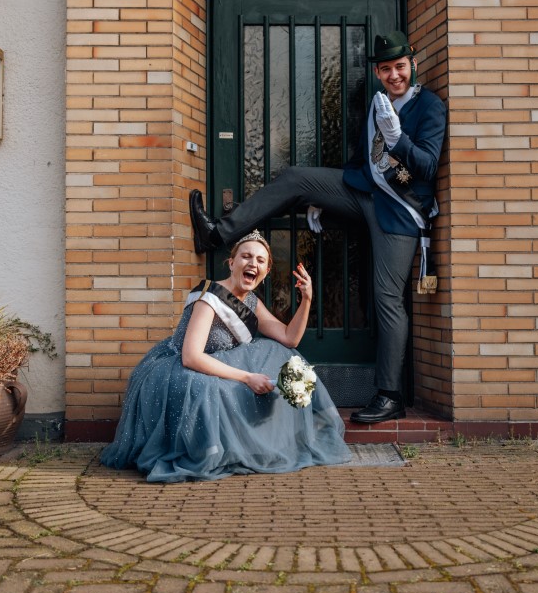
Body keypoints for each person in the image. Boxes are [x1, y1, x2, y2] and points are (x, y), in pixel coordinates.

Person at [190, 30, 446, 425]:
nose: (394, 75)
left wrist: (397, 138)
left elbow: (427, 167)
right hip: (365, 193)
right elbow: (364, 163)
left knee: (387, 300)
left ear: (412, 65)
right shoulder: (378, 101)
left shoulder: (429, 106)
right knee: (296, 178)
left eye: (400, 67)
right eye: (386, 69)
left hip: (399, 212)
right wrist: (326, 200)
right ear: (377, 73)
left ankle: (390, 394)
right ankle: (218, 234)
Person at [100, 231, 351, 482]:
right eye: (246, 257)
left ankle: (258, 446)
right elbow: (191, 357)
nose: (253, 263)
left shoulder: (251, 301)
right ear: (232, 263)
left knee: (282, 353)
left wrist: (306, 299)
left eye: (260, 260)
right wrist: (247, 377)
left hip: (222, 361)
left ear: (266, 272)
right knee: (207, 388)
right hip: (184, 366)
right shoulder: (209, 298)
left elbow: (289, 338)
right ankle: (210, 453)